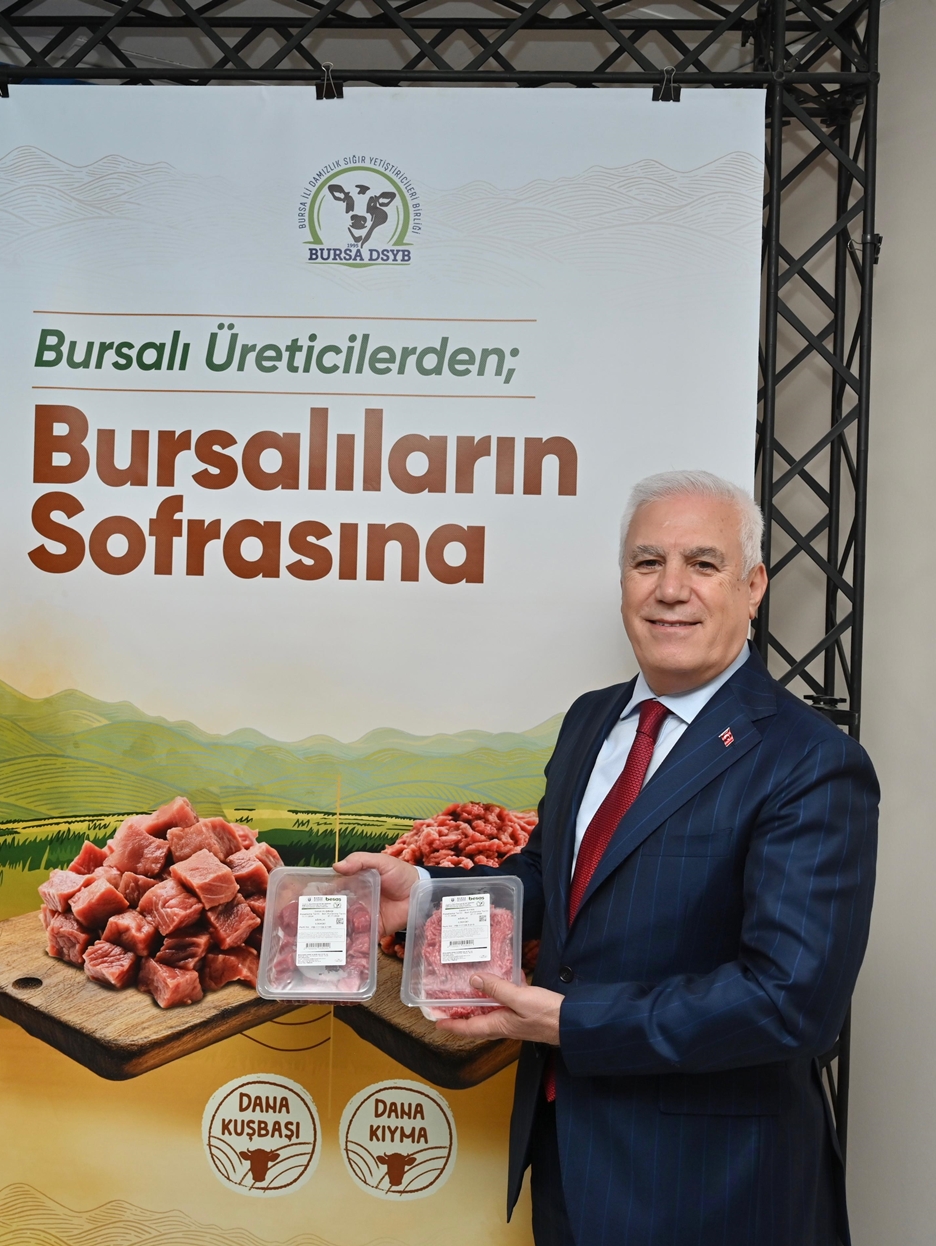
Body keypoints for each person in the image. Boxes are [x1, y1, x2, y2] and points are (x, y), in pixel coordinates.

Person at [338, 470, 879, 1246]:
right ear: (623, 579)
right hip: (569, 1161)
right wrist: (423, 893)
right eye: (647, 562)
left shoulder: (811, 761)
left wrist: (572, 1021)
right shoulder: (592, 721)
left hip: (717, 1190)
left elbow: (789, 1003)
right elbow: (551, 881)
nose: (671, 589)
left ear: (754, 586)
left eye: (703, 563)